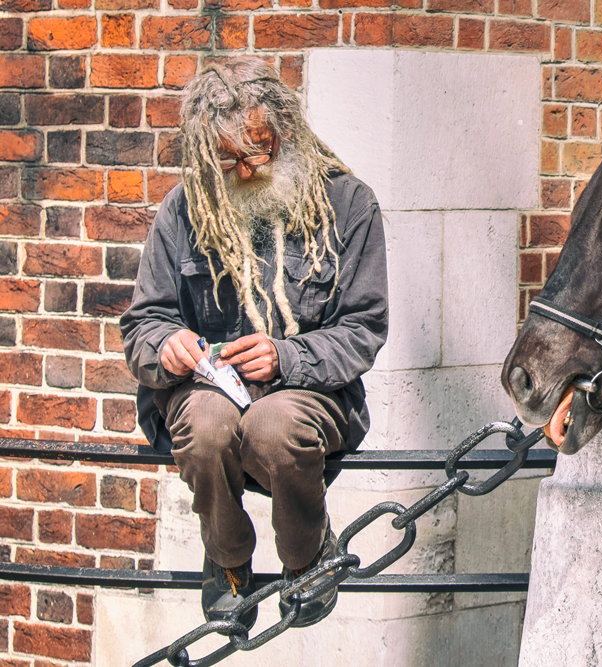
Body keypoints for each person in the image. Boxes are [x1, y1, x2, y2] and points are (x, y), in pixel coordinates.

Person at [120, 57, 388, 630]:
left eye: (258, 154)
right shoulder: (186, 207)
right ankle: (227, 561)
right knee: (209, 427)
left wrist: (286, 356)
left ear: (286, 134)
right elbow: (142, 323)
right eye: (227, 159)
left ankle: (306, 555)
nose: (244, 172)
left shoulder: (349, 205)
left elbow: (363, 328)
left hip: (308, 392)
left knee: (275, 426)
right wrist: (166, 345)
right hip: (205, 393)